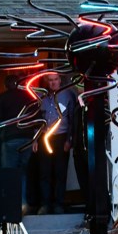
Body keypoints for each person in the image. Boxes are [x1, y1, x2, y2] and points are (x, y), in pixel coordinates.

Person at [33, 72, 77, 215]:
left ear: (60, 80)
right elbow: (36, 119)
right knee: (44, 172)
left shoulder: (68, 95)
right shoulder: (42, 97)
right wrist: (35, 139)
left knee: (60, 171)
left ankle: (58, 203)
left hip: (61, 137)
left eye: (55, 79)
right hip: (45, 137)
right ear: (47, 82)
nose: (53, 83)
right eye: (50, 80)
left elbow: (72, 118)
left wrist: (69, 140)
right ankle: (45, 204)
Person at [0, 75, 37, 215]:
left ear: (6, 85)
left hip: (10, 139)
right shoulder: (30, 97)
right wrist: (35, 139)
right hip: (28, 139)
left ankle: (11, 206)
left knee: (9, 173)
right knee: (24, 172)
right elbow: (37, 118)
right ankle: (24, 202)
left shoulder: (3, 98)